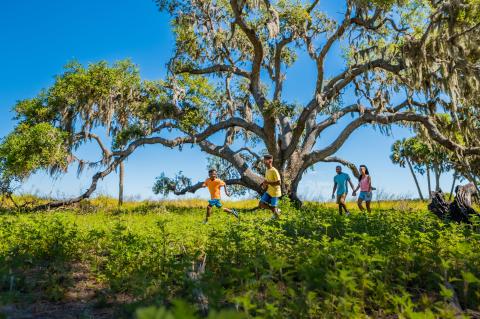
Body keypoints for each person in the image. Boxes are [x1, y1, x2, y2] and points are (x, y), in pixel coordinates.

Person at [258, 154, 282, 219]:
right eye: (264, 160)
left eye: (265, 160)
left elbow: (279, 182)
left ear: (270, 161)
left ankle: (279, 220)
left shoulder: (274, 171)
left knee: (274, 210)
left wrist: (268, 182)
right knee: (261, 204)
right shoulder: (267, 170)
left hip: (275, 193)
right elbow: (266, 180)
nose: (264, 162)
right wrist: (263, 184)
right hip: (269, 191)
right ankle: (275, 210)